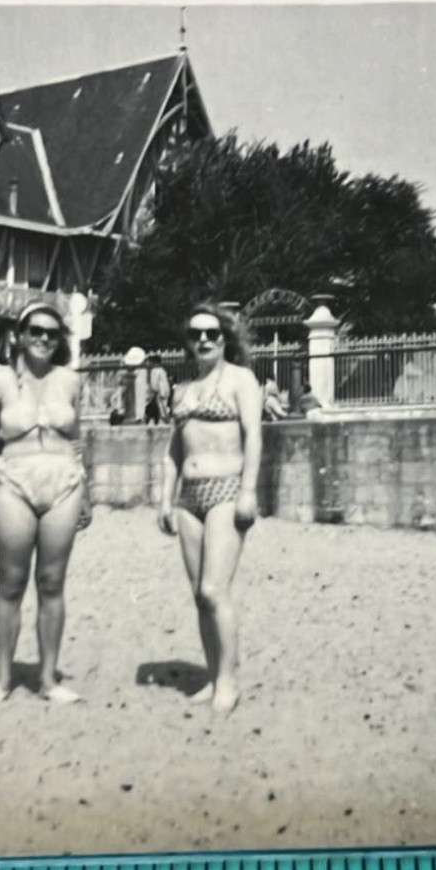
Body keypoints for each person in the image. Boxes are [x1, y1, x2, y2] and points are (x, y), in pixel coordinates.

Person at [0, 301, 88, 708]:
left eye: (52, 333)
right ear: (19, 336)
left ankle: (47, 678)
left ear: (60, 340)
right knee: (11, 581)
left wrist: (84, 487)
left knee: (53, 582)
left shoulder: (70, 381)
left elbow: (77, 436)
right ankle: (2, 680)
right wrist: (19, 456)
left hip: (64, 480)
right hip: (16, 479)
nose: (43, 338)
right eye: (35, 331)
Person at [158, 303, 264, 715]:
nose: (203, 340)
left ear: (225, 339)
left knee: (213, 589)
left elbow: (254, 436)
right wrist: (165, 499)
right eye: (195, 334)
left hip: (227, 489)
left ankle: (229, 680)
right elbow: (172, 450)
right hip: (189, 497)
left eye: (212, 334)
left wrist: (249, 491)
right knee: (198, 597)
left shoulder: (241, 380)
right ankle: (211, 674)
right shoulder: (183, 391)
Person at [145, 355, 172, 424]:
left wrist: (149, 392)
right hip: (164, 393)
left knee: (159, 412)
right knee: (163, 411)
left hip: (157, 394)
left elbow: (153, 385)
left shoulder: (155, 370)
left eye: (149, 361)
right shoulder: (162, 370)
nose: (148, 363)